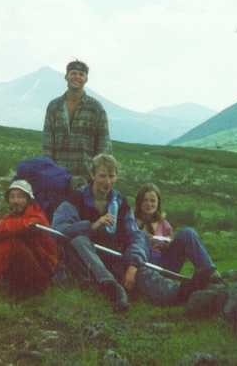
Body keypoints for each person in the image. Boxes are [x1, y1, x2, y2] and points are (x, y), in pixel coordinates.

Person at [53, 154, 210, 312]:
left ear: (116, 177)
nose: (107, 181)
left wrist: (133, 265)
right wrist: (91, 226)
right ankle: (112, 287)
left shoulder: (120, 202)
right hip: (86, 261)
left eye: (111, 176)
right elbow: (58, 229)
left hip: (116, 259)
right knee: (79, 240)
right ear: (92, 175)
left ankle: (185, 291)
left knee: (141, 272)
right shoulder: (75, 199)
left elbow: (136, 235)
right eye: (102, 176)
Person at [42, 59, 112, 183]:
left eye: (81, 74)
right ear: (66, 76)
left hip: (86, 177)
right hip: (58, 175)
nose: (77, 77)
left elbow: (104, 142)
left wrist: (96, 173)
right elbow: (47, 141)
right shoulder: (54, 106)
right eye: (73, 73)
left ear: (86, 79)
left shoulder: (95, 108)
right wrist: (49, 170)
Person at [134, 183, 220, 282]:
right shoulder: (131, 221)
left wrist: (166, 244)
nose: (149, 204)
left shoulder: (163, 223)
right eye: (145, 200)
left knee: (187, 232)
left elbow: (171, 242)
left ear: (158, 203)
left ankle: (210, 273)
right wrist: (148, 240)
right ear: (139, 202)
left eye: (153, 201)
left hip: (166, 265)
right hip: (145, 265)